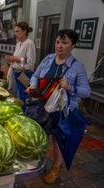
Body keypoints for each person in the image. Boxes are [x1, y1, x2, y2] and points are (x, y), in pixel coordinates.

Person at [25, 29, 91, 184]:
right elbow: (35, 75)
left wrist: (70, 87)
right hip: (43, 107)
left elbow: (86, 91)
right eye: (58, 42)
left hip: (62, 111)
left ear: (73, 45)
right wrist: (32, 85)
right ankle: (38, 162)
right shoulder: (48, 59)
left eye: (65, 42)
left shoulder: (77, 66)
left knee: (57, 141)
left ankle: (55, 167)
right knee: (40, 135)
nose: (60, 46)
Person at [4, 22, 36, 103]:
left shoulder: (29, 43)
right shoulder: (18, 44)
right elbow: (17, 58)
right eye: (15, 31)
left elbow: (31, 63)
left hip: (24, 74)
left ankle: (24, 112)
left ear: (24, 31)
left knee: (23, 96)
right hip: (15, 72)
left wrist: (16, 59)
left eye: (17, 31)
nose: (15, 34)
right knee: (15, 95)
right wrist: (11, 59)